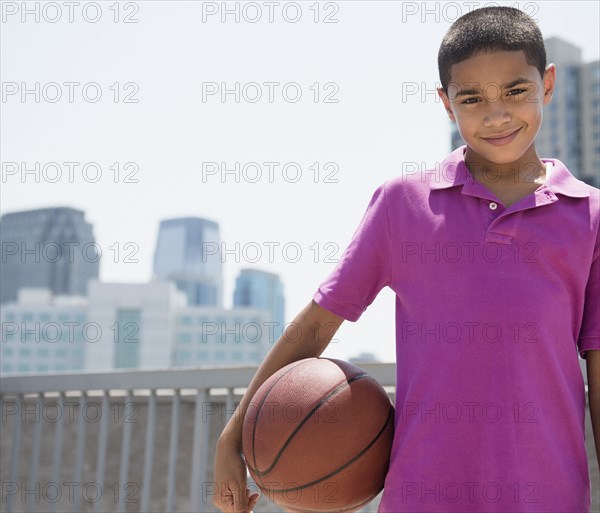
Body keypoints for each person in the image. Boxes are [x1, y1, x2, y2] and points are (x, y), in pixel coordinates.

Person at [213, 6, 600, 513]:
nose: (497, 113)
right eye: (471, 98)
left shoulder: (589, 217)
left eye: (515, 90)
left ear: (546, 84)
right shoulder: (402, 205)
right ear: (445, 103)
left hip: (549, 497)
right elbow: (315, 326)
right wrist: (231, 440)